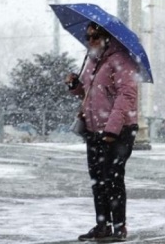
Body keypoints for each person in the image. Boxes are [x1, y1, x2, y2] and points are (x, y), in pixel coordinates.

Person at [65, 23, 139, 242]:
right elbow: (88, 93)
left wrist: (112, 129)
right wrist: (74, 86)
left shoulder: (121, 61)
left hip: (120, 131)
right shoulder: (91, 62)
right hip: (94, 129)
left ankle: (119, 226)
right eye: (88, 37)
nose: (91, 41)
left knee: (113, 177)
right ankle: (102, 225)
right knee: (97, 179)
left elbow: (125, 96)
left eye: (95, 36)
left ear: (108, 38)